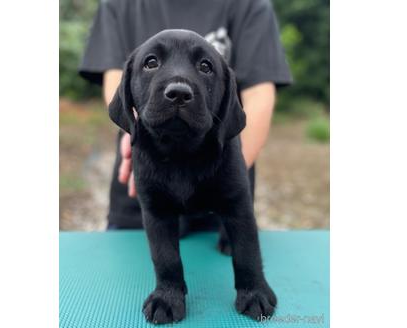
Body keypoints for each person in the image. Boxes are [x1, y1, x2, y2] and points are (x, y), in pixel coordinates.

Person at [79, 0, 292, 230]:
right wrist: (133, 129)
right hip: (142, 203)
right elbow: (118, 80)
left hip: (218, 201)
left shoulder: (248, 5)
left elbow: (259, 96)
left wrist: (223, 178)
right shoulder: (119, 4)